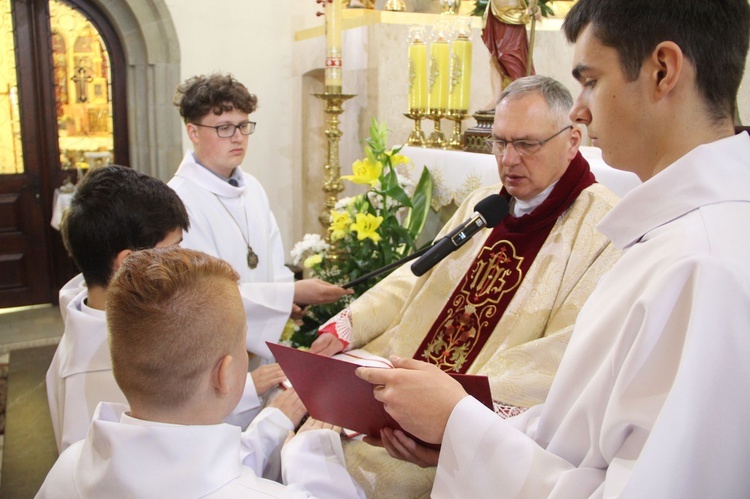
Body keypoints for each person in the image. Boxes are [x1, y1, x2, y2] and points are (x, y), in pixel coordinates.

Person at [356, 0, 750, 497]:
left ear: (662, 70)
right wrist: (460, 436)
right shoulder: (676, 237)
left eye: (590, 80)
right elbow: (580, 433)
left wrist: (460, 419)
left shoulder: (701, 267)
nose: (580, 110)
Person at [311, 75, 622, 496]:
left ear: (572, 140)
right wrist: (350, 323)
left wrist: (452, 419)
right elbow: (418, 275)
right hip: (396, 410)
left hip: (466, 439)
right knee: (309, 448)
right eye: (499, 142)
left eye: (526, 144)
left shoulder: (603, 228)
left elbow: (562, 355)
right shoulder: (486, 201)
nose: (508, 160)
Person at [38, 247, 364, 498]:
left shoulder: (67, 467)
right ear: (226, 373)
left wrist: (271, 425)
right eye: (242, 344)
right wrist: (314, 454)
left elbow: (190, 472)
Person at [46, 166, 292, 455]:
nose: (182, 258)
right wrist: (270, 419)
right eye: (173, 249)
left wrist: (249, 387)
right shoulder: (101, 368)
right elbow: (172, 463)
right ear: (127, 263)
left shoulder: (98, 313)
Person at [168, 73, 351, 360]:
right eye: (225, 128)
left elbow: (273, 263)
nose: (238, 138)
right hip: (214, 355)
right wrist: (289, 294)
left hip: (263, 349)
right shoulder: (178, 201)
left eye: (243, 126)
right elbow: (204, 294)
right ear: (193, 132)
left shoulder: (251, 187)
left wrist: (284, 301)